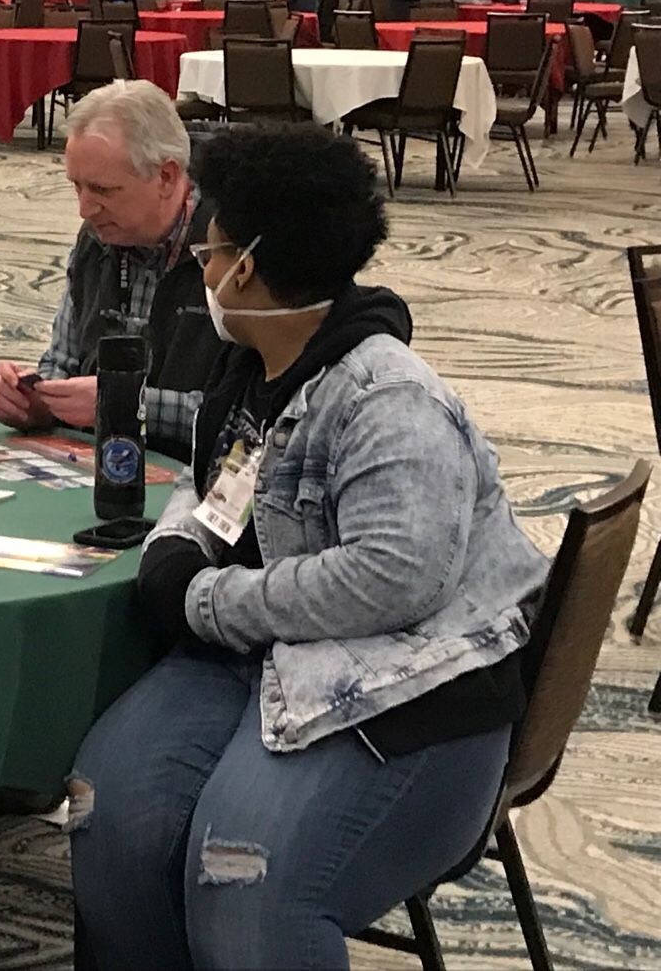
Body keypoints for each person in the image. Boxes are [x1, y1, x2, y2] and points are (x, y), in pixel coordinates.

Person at [68, 124, 547, 969]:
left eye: (210, 255)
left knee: (239, 874)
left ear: (246, 265)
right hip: (270, 657)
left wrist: (205, 600)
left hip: (412, 689)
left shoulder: (389, 398)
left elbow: (393, 578)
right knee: (109, 816)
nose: (202, 273)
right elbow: (218, 490)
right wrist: (180, 546)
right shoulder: (254, 367)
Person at [0, 81, 218, 461]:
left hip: (199, 476)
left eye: (103, 190)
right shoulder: (97, 239)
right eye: (76, 187)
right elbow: (61, 362)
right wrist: (35, 399)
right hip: (99, 463)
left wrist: (129, 402)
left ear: (166, 177)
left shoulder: (229, 251)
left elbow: (256, 416)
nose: (84, 209)